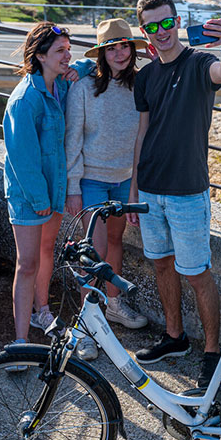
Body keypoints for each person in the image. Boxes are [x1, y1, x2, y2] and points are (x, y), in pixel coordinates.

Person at [127, 0, 221, 387]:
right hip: (151, 189)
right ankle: (174, 337)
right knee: (160, 264)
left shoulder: (199, 62)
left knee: (197, 274)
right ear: (145, 31)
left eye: (167, 22)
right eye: (152, 26)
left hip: (188, 191)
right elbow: (142, 135)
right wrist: (134, 192)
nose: (162, 32)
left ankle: (212, 352)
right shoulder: (145, 77)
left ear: (177, 21)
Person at [65, 18, 150, 360]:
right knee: (93, 252)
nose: (119, 53)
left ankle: (113, 304)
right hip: (92, 180)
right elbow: (72, 139)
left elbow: (145, 139)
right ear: (101, 53)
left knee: (115, 243)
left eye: (125, 46)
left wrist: (137, 188)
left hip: (126, 180)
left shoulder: (141, 85)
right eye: (111, 48)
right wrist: (73, 187)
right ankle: (85, 327)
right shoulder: (84, 86)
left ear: (132, 49)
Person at [3, 22, 92, 349]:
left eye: (69, 49)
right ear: (40, 56)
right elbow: (21, 159)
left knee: (45, 251)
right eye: (60, 51)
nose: (68, 55)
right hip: (30, 195)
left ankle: (43, 311)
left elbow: (92, 63)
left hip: (53, 189)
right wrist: (39, 199)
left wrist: (75, 67)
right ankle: (21, 339)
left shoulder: (61, 85)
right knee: (27, 263)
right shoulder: (25, 100)